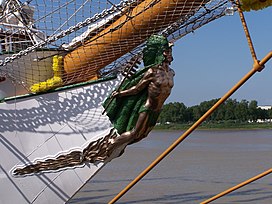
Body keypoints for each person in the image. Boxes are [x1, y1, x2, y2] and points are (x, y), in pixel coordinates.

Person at [105, 35, 175, 155]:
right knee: (135, 133)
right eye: (167, 51)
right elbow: (137, 89)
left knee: (142, 136)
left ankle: (120, 145)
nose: (169, 54)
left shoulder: (172, 73)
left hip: (158, 110)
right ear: (162, 54)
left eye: (170, 51)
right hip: (147, 108)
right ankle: (111, 144)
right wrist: (120, 94)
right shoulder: (152, 72)